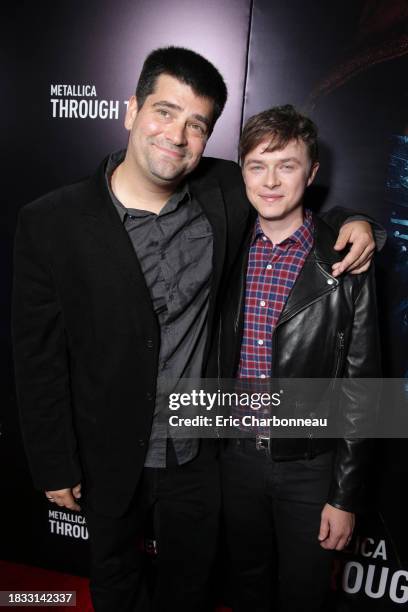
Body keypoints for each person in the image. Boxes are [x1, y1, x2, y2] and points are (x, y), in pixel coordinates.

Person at [12, 47, 379, 612]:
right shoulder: (49, 222)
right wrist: (52, 461)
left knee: (192, 587)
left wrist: (358, 223)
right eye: (164, 111)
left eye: (196, 124)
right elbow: (37, 359)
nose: (176, 135)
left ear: (207, 138)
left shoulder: (223, 192)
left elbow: (288, 192)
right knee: (115, 585)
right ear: (131, 110)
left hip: (199, 454)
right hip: (106, 454)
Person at [217, 105, 381, 612]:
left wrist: (344, 495)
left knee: (304, 596)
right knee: (245, 590)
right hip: (233, 460)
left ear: (311, 174)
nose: (269, 181)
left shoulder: (345, 260)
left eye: (286, 165)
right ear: (240, 170)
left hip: (311, 468)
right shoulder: (222, 246)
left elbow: (363, 388)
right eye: (257, 165)